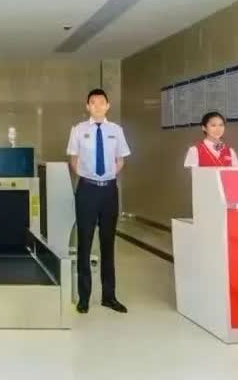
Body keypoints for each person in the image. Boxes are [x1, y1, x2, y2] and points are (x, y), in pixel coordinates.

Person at [66, 88, 131, 314]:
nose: (97, 106)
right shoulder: (78, 130)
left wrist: (107, 176)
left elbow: (120, 160)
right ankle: (84, 297)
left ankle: (109, 296)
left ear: (108, 105)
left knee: (108, 243)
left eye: (101, 102)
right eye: (93, 103)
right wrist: (89, 177)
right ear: (87, 106)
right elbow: (74, 160)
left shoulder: (116, 131)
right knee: (84, 243)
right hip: (87, 190)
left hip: (109, 191)